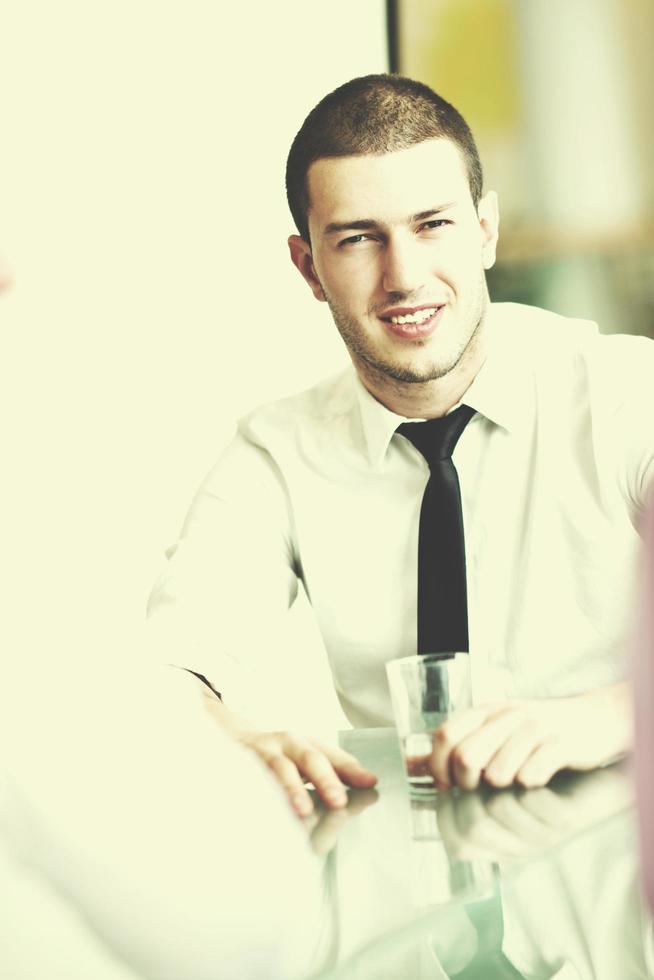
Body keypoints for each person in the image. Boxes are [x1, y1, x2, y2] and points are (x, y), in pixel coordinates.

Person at [148, 73, 653, 816]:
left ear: (485, 230)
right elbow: (165, 672)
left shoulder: (626, 392)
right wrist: (226, 736)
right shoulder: (276, 453)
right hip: (411, 898)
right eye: (358, 239)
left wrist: (613, 714)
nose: (405, 277)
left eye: (432, 225)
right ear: (307, 266)